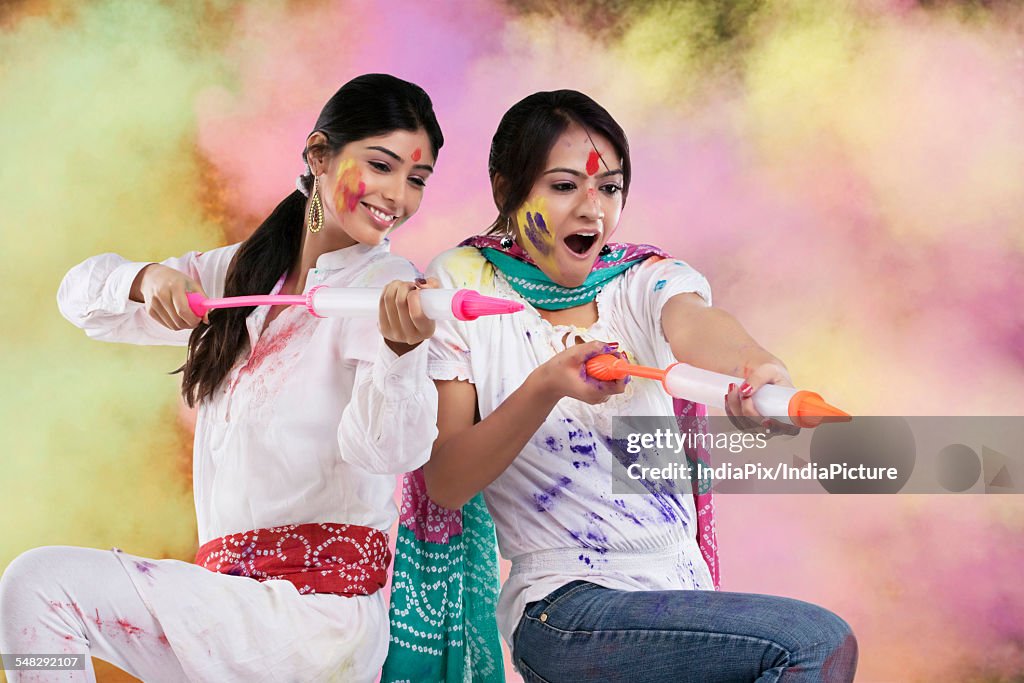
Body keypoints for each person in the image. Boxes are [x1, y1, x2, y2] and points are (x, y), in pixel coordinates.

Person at [0, 73, 443, 683]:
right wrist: (147, 279)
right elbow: (79, 299)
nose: (398, 195)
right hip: (224, 606)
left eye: (416, 179)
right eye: (381, 165)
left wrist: (400, 352)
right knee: (37, 595)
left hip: (314, 621)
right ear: (318, 154)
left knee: (41, 584)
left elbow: (390, 452)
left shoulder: (383, 286)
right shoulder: (237, 273)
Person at [417, 90, 858, 682]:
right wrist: (546, 385)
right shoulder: (461, 288)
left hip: (681, 596)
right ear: (506, 187)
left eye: (610, 187)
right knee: (813, 642)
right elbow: (445, 482)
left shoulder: (639, 278)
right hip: (565, 607)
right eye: (565, 185)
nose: (592, 210)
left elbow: (695, 323)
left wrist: (754, 364)